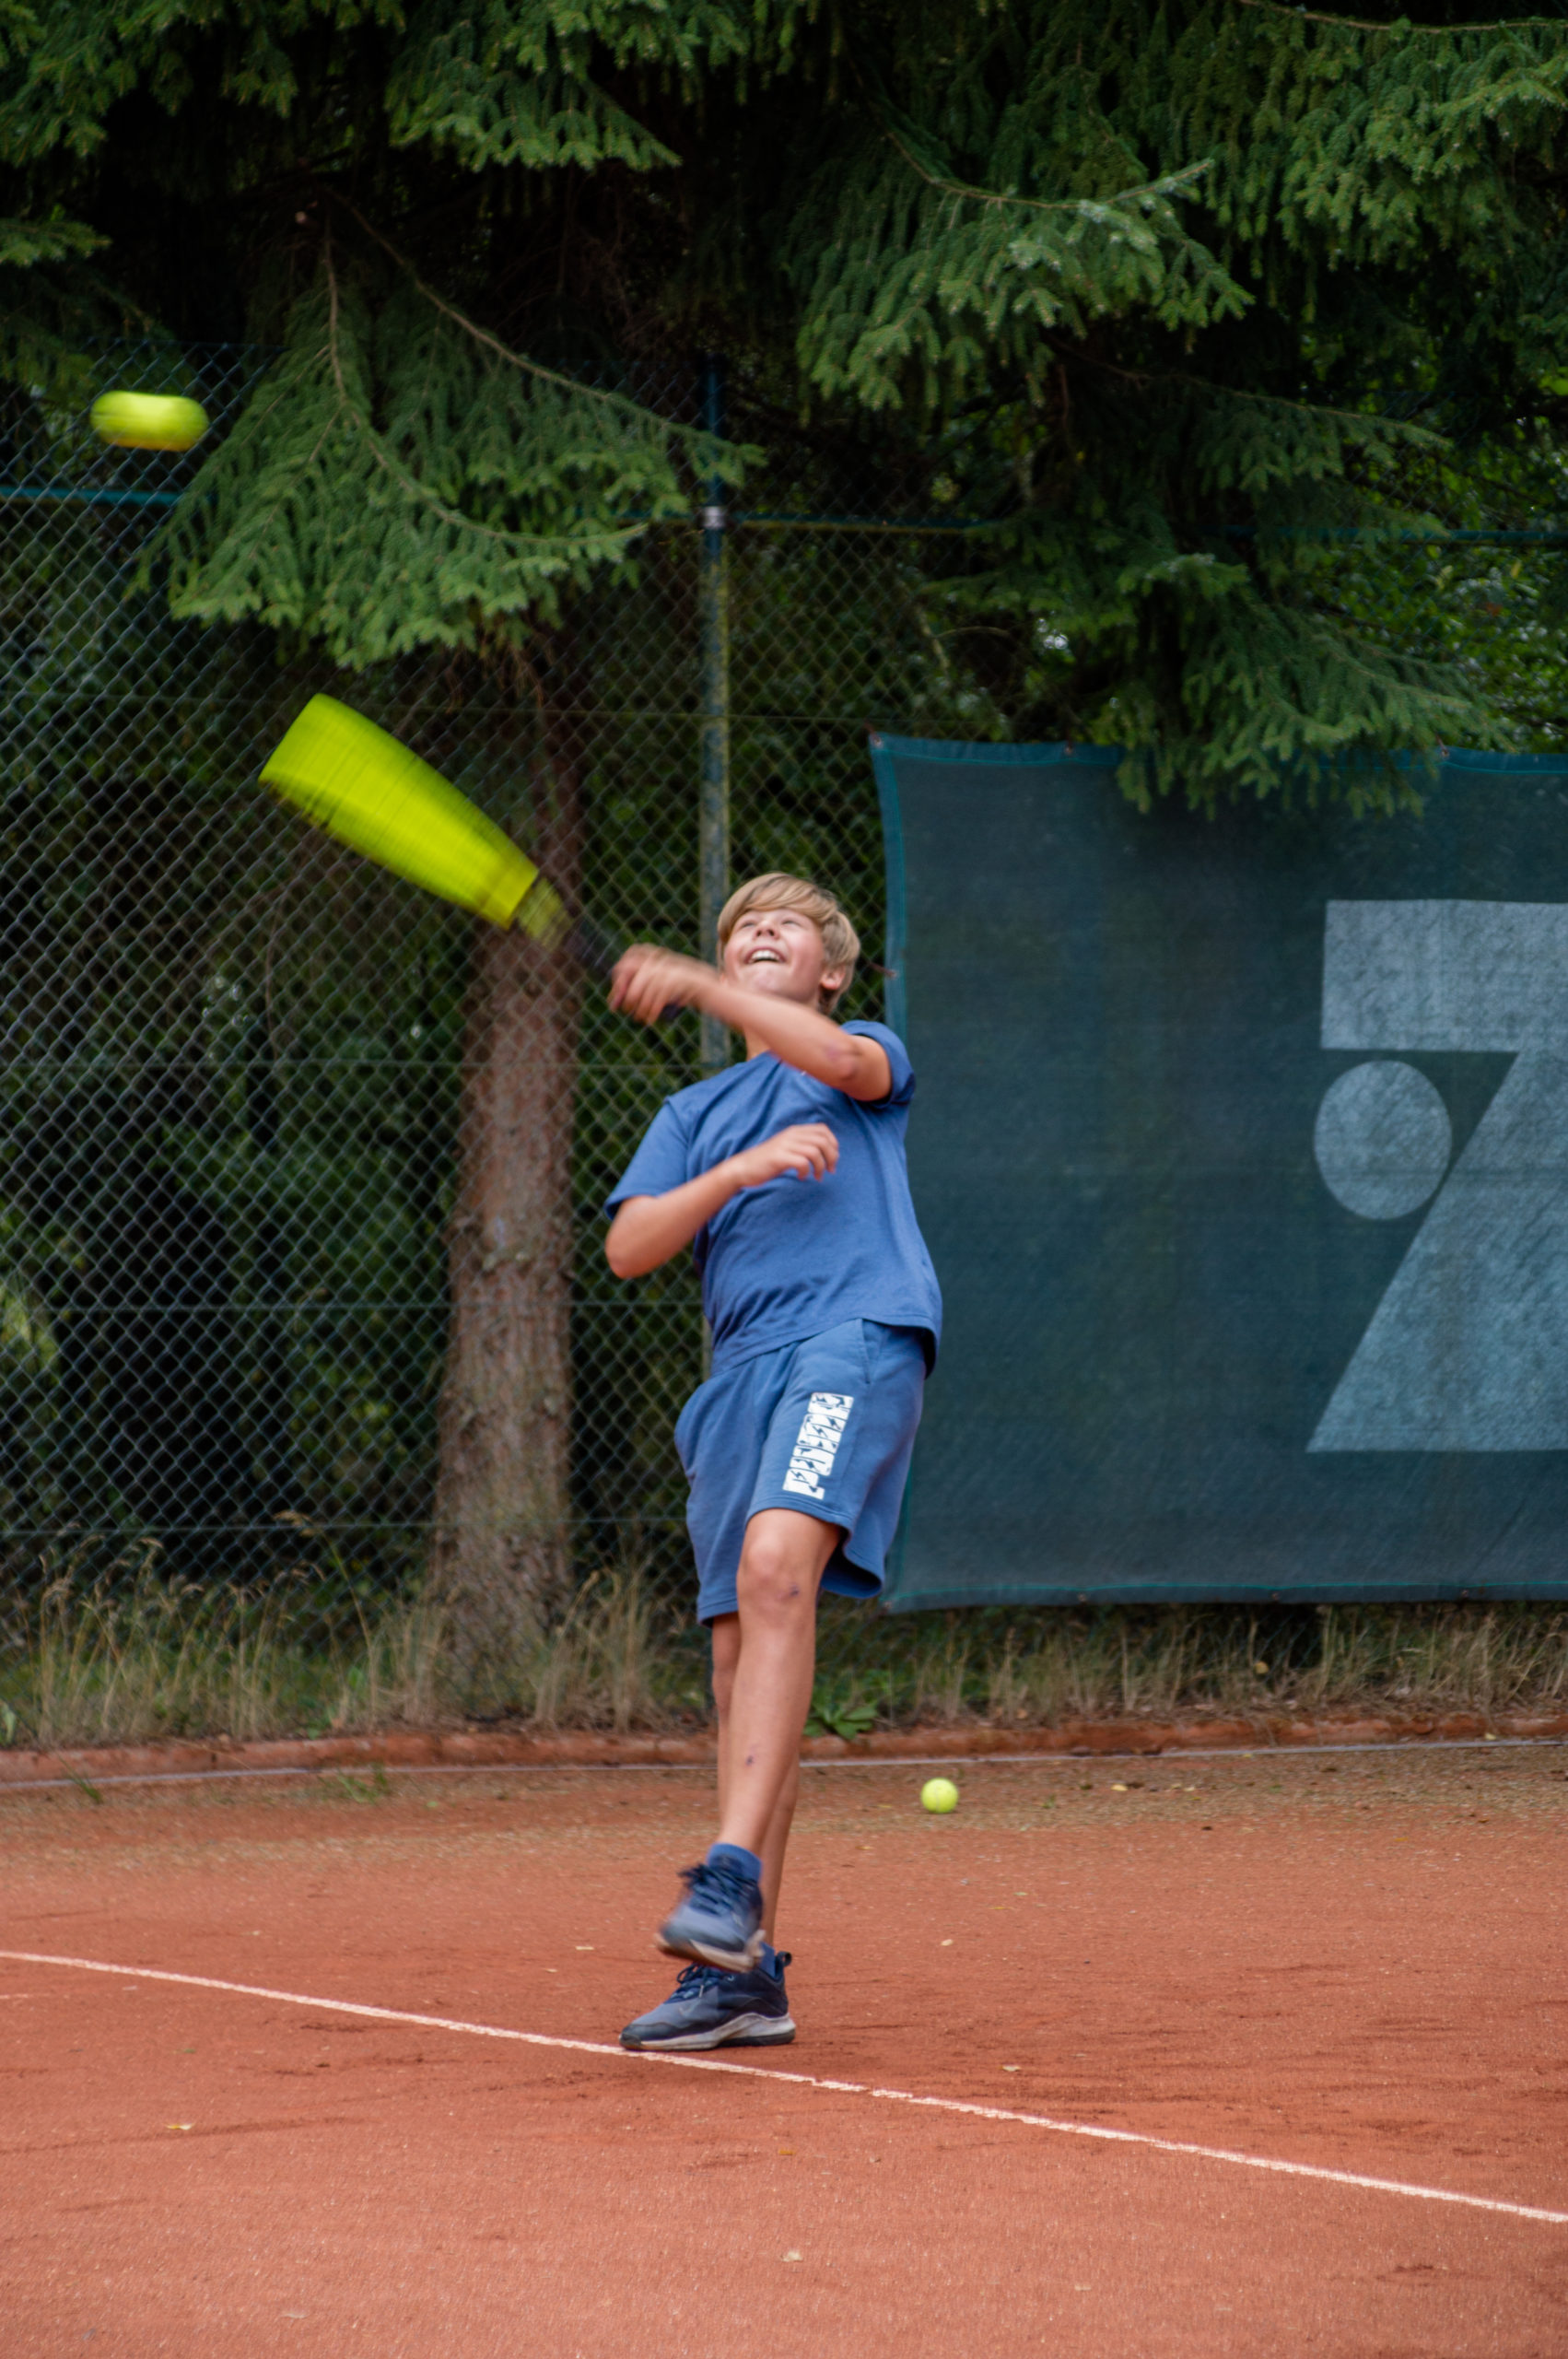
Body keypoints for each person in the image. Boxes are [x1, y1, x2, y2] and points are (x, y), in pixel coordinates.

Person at [603, 872, 941, 2051]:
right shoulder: (695, 1113)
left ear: (830, 971)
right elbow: (630, 1246)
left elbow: (839, 1060)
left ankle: (729, 1873)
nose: (758, 929)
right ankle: (743, 1974)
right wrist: (735, 1173)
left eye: (785, 923)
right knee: (738, 1664)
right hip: (736, 1383)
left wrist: (699, 986)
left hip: (850, 1340)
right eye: (742, 923)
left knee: (777, 1567)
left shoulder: (860, 1059)